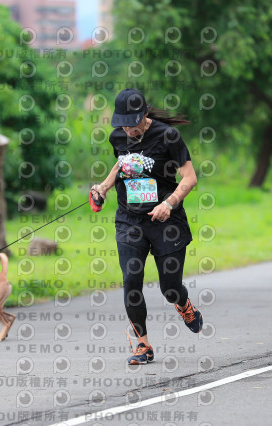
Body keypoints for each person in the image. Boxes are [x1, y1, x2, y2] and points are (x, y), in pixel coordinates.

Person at [90, 88, 203, 365]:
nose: (126, 129)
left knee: (170, 287)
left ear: (143, 116)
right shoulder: (118, 136)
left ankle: (183, 304)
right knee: (131, 283)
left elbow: (190, 177)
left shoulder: (168, 136)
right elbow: (122, 162)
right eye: (122, 123)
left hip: (166, 221)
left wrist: (170, 203)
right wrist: (103, 188)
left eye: (131, 122)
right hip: (130, 220)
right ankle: (143, 344)